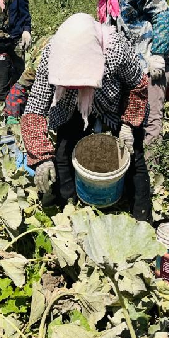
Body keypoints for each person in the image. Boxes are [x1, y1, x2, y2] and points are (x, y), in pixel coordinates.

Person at [22, 13, 151, 220]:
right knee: (63, 156)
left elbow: (138, 85)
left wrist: (128, 124)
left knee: (133, 156)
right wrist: (41, 158)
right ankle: (69, 215)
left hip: (112, 105)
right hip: (69, 107)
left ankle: (141, 220)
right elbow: (35, 108)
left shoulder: (115, 49)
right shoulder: (50, 55)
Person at [75, 0, 169, 146]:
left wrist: (158, 54)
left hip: (152, 57)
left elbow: (161, 15)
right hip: (132, 63)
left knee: (151, 112)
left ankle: (151, 159)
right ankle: (132, 158)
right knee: (132, 111)